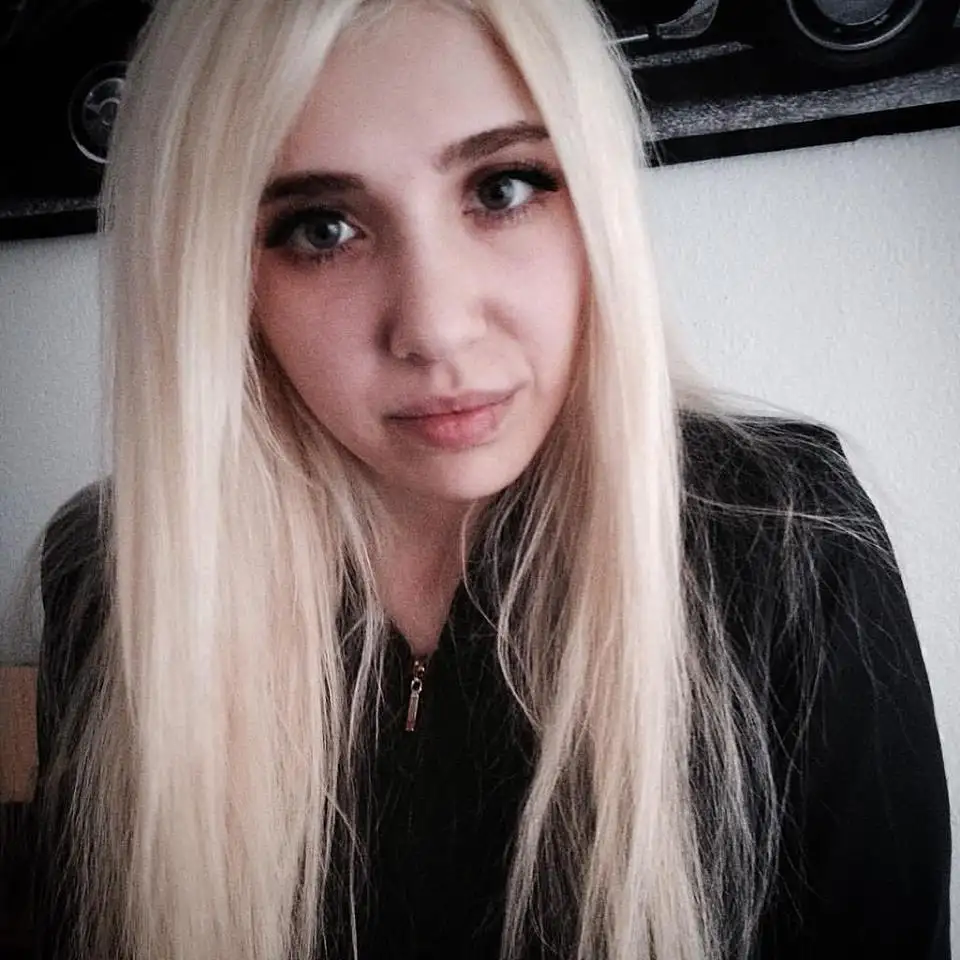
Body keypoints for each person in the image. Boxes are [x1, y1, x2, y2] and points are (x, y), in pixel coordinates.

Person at [19, 0, 950, 958]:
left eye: (503, 188)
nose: (435, 328)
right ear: (215, 275)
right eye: (321, 228)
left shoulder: (781, 532)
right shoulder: (120, 573)